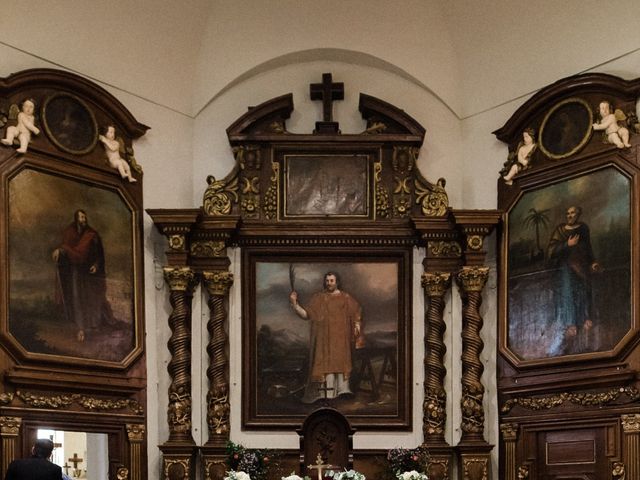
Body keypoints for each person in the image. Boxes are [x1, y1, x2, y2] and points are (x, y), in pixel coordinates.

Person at [289, 272, 365, 403]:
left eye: (331, 280)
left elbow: (356, 311)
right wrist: (295, 304)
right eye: (327, 281)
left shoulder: (345, 297)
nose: (329, 283)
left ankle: (342, 390)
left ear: (337, 282)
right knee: (324, 362)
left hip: (341, 339)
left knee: (340, 361)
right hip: (324, 340)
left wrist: (357, 325)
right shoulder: (319, 298)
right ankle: (324, 394)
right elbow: (307, 315)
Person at [52, 209, 117, 341]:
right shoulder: (70, 233)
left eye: (85, 217)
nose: (84, 219)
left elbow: (99, 253)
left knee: (90, 298)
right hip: (75, 271)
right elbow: (67, 248)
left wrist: (96, 265)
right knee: (76, 297)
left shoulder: (92, 235)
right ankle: (79, 327)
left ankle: (92, 324)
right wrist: (60, 250)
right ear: (76, 219)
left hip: (89, 272)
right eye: (81, 217)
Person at [546, 206, 600, 356]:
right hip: (566, 269)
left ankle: (585, 319)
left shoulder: (583, 229)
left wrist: (593, 261)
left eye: (572, 213)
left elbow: (587, 248)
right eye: (567, 213)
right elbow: (551, 251)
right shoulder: (560, 230)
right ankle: (570, 324)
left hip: (581, 267)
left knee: (583, 292)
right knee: (568, 294)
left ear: (578, 214)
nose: (569, 216)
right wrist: (566, 245)